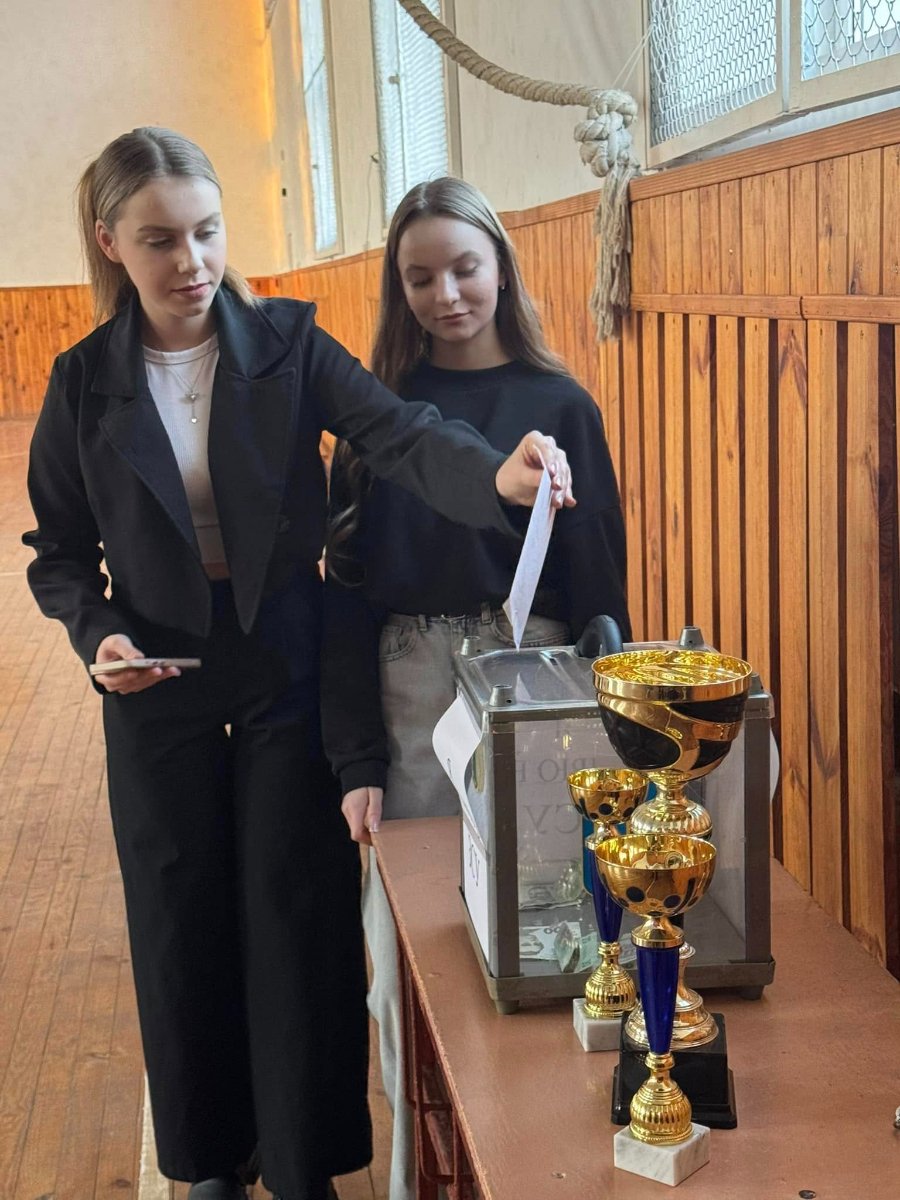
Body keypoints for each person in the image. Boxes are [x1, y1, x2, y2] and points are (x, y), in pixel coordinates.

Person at [21, 130, 577, 1200]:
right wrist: (98, 638)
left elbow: (401, 433)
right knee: (177, 913)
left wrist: (495, 478)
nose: (191, 260)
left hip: (282, 653)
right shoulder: (83, 381)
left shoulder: (287, 342)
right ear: (110, 243)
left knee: (293, 904)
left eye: (207, 231)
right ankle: (210, 1162)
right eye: (160, 240)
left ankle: (302, 1158)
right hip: (157, 672)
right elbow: (58, 551)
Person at [321, 177, 630, 1200]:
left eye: (464, 268)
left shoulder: (562, 405)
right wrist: (358, 760)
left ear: (501, 264)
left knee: (547, 942)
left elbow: (600, 591)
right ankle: (419, 1176)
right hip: (412, 700)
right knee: (410, 960)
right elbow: (346, 602)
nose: (445, 294)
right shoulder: (376, 420)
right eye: (420, 277)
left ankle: (539, 1167)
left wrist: (609, 723)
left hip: (536, 689)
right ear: (397, 288)